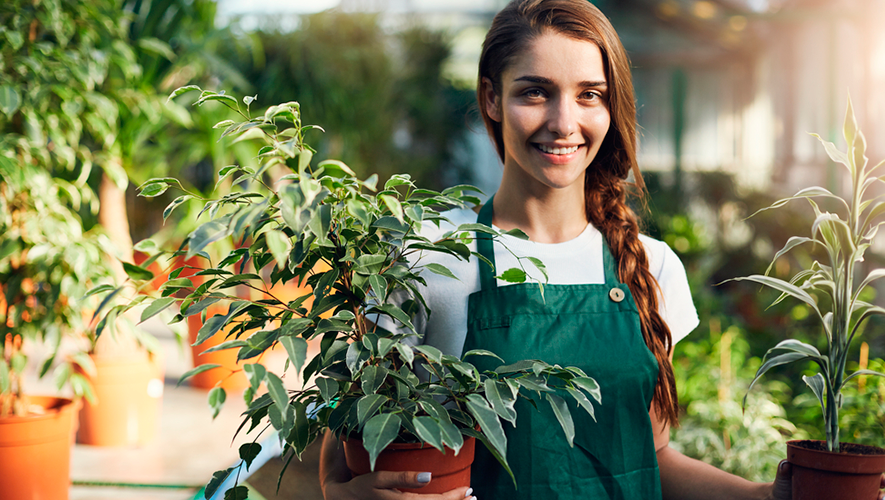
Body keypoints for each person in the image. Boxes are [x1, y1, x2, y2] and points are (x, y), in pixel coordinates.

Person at [318, 1, 885, 499]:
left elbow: (652, 461)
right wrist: (342, 497)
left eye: (590, 95)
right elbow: (340, 462)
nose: (565, 123)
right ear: (492, 99)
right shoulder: (428, 264)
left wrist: (767, 496)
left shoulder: (652, 264)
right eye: (535, 92)